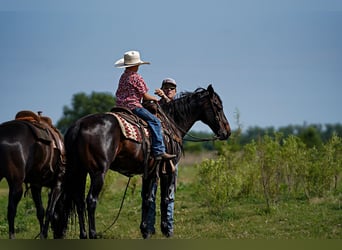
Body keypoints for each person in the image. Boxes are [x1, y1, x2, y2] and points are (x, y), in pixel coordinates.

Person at [114, 50, 176, 160]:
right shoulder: (137, 78)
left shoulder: (123, 76)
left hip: (119, 107)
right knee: (155, 121)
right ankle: (159, 150)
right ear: (136, 65)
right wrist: (156, 99)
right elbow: (145, 96)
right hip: (133, 107)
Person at [143, 78, 178, 238]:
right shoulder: (157, 104)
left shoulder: (177, 106)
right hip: (155, 158)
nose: (169, 90)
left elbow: (172, 107)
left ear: (175, 91)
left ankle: (168, 228)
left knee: (169, 194)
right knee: (151, 192)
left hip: (170, 157)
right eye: (166, 87)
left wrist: (163, 97)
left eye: (171, 88)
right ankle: (149, 227)